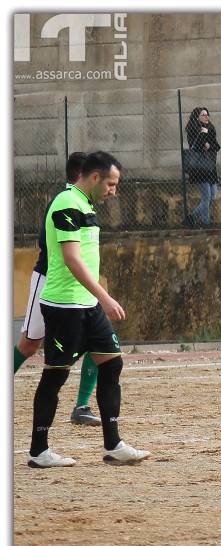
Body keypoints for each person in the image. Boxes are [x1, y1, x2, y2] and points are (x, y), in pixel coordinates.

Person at [28, 151, 151, 468]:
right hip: (64, 307)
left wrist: (97, 299)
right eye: (111, 184)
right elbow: (71, 259)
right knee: (55, 375)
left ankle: (113, 445)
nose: (114, 190)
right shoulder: (67, 204)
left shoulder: (86, 205)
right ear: (94, 177)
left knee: (112, 364)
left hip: (87, 304)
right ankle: (39, 451)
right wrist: (105, 297)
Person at [14, 152, 102, 426]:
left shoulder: (85, 204)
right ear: (80, 175)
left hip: (81, 286)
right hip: (50, 283)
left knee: (100, 341)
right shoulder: (63, 203)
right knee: (29, 344)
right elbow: (50, 246)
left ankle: (82, 406)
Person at [186, 106, 221, 226]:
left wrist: (209, 146)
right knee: (206, 197)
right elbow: (194, 147)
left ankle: (192, 218)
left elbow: (217, 147)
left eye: (207, 114)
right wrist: (202, 134)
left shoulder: (210, 128)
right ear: (197, 117)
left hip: (210, 167)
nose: (206, 117)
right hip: (199, 168)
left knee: (213, 195)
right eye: (203, 115)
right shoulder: (192, 129)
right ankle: (207, 224)